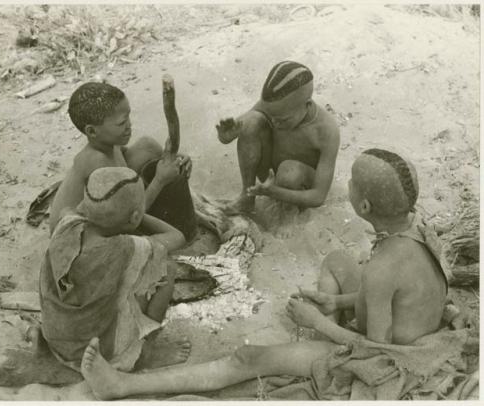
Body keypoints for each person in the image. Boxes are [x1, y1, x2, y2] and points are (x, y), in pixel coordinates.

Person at [78, 149, 455, 400]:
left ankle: (121, 385)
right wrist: (338, 301)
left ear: (365, 205)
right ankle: (319, 333)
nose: (349, 186)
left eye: (353, 184)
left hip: (393, 355)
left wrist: (318, 323)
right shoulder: (415, 228)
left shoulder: (382, 268)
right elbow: (392, 290)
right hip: (406, 317)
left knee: (247, 358)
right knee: (339, 260)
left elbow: (375, 351)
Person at [40, 167, 189, 373]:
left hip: (58, 340)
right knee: (166, 266)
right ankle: (145, 352)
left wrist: (115, 212)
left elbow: (68, 209)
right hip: (97, 352)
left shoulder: (67, 223)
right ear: (134, 217)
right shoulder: (125, 248)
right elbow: (177, 237)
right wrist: (138, 214)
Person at [49, 81, 192, 235]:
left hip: (110, 201)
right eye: (122, 123)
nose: (129, 125)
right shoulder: (97, 162)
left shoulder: (109, 143)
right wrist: (159, 180)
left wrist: (171, 158)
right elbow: (129, 217)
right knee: (172, 238)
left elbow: (129, 155)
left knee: (147, 145)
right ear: (92, 131)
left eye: (128, 117)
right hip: (79, 233)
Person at [216, 60, 340, 214]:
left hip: (298, 184)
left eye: (282, 120)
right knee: (252, 120)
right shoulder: (275, 106)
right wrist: (227, 136)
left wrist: (272, 192)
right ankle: (247, 198)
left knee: (289, 170)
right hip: (271, 177)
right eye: (271, 115)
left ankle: (288, 211)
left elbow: (318, 197)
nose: (274, 122)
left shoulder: (326, 130)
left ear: (307, 105)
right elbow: (240, 130)